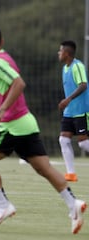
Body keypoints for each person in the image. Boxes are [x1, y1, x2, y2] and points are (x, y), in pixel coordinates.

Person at [0, 24, 86, 234]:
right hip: (26, 122)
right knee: (44, 169)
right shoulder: (6, 58)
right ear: (2, 41)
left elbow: (19, 84)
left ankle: (3, 206)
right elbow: (7, 90)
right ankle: (73, 204)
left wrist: (1, 110)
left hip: (12, 124)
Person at [57, 40, 89, 182]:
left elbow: (83, 85)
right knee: (64, 139)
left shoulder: (78, 66)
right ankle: (71, 174)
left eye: (60, 51)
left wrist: (68, 99)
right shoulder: (65, 68)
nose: (59, 53)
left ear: (67, 53)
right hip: (69, 111)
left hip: (82, 110)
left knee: (82, 143)